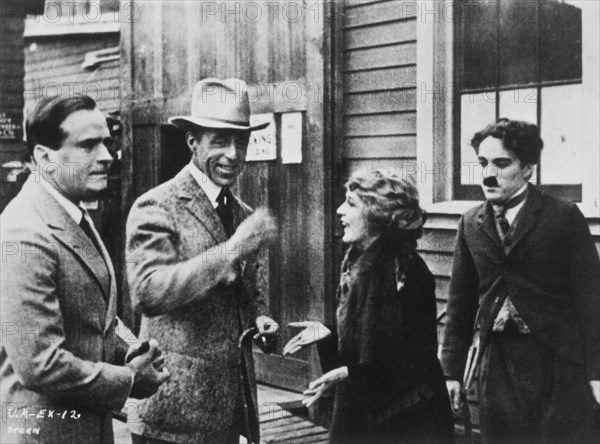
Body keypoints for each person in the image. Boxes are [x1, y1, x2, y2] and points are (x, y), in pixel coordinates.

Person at [0, 96, 169, 444]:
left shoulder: (70, 211)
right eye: (88, 145)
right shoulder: (25, 233)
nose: (107, 156)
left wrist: (131, 350)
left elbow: (91, 313)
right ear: (45, 157)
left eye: (106, 143)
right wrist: (130, 380)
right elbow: (40, 364)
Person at [126, 78, 279, 444]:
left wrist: (260, 318)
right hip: (173, 415)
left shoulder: (241, 214)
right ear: (192, 141)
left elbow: (245, 295)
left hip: (230, 412)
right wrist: (232, 249)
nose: (233, 154)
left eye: (241, 142)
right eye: (220, 141)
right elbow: (148, 294)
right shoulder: (157, 205)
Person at [441, 118, 600, 443]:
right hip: (497, 361)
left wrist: (597, 373)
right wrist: (451, 373)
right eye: (483, 163)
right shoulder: (471, 222)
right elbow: (460, 304)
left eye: (502, 163)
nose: (488, 173)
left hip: (557, 358)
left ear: (527, 168)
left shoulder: (563, 217)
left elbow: (592, 299)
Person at [284, 169, 454, 443]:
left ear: (378, 215)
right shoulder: (359, 265)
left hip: (409, 420)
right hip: (367, 414)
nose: (340, 210)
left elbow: (415, 360)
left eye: (351, 203)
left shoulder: (410, 273)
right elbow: (370, 341)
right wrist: (329, 332)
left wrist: (349, 373)